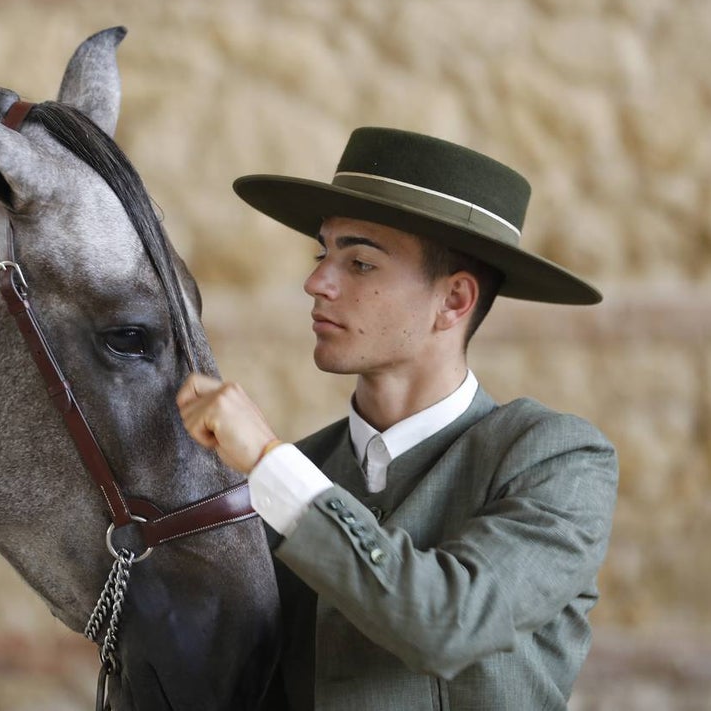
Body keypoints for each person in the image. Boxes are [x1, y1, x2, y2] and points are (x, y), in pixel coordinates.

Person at [177, 127, 619, 710]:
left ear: (455, 301)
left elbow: (448, 622)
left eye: (359, 262)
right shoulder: (290, 473)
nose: (316, 283)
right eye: (322, 253)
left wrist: (267, 462)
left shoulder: (557, 459)